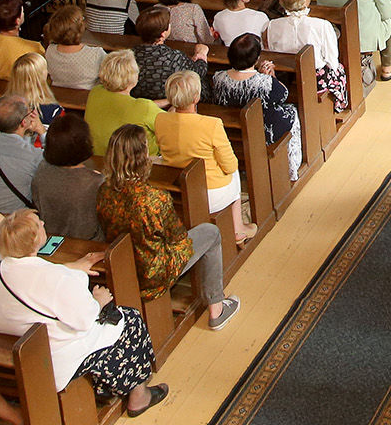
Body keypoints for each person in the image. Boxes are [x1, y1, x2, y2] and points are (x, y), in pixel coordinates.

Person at [0, 209, 169, 415]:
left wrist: (71, 267)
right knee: (128, 320)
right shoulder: (56, 278)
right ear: (33, 241)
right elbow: (84, 320)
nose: (43, 222)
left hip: (15, 335)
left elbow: (32, 278)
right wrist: (99, 301)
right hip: (52, 352)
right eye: (39, 224)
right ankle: (138, 396)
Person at [96, 125, 239, 326]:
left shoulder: (104, 191)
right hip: (155, 272)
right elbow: (179, 240)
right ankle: (217, 308)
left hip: (124, 265)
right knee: (211, 232)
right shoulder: (154, 199)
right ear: (142, 156)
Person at [156, 72, 255, 246]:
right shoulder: (212, 124)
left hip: (177, 187)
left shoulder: (160, 119)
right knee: (235, 171)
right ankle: (238, 228)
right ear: (196, 97)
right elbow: (230, 165)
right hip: (211, 194)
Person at [210, 33, 302, 182]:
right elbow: (283, 95)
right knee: (291, 110)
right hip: (262, 131)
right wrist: (271, 77)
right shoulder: (264, 82)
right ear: (256, 58)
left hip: (232, 129)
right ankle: (292, 168)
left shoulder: (218, 77)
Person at [266, 0, 350, 112]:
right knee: (338, 69)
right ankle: (338, 105)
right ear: (306, 0)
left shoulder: (272, 25)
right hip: (315, 80)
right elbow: (332, 61)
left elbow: (272, 52)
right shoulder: (322, 25)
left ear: (281, 3)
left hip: (286, 77)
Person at [31, 113, 104, 242]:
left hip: (49, 239)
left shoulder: (41, 170)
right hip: (88, 244)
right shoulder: (97, 183)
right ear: (85, 143)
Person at [0, 96, 43, 216]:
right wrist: (41, 130)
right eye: (30, 111)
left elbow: (13, 148)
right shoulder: (34, 156)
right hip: (14, 222)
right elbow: (54, 162)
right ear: (24, 122)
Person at [85, 50, 161, 155]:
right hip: (135, 162)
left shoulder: (95, 92)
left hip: (97, 156)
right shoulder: (144, 107)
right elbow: (170, 124)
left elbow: (135, 106)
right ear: (134, 77)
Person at [133, 1, 204, 100]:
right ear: (162, 34)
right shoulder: (173, 57)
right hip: (170, 102)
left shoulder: (130, 55)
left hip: (139, 100)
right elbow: (197, 73)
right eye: (169, 24)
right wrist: (202, 54)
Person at [41, 3, 107, 91]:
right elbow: (109, 75)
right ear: (81, 28)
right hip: (89, 97)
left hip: (58, 96)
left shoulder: (50, 51)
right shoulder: (97, 54)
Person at [0, 0, 41, 84]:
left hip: (0, 87)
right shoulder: (34, 47)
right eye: (23, 12)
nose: (24, 13)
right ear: (17, 21)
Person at [8, 52, 63, 129]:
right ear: (40, 77)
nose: (48, 72)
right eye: (45, 69)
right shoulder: (53, 110)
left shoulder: (4, 107)